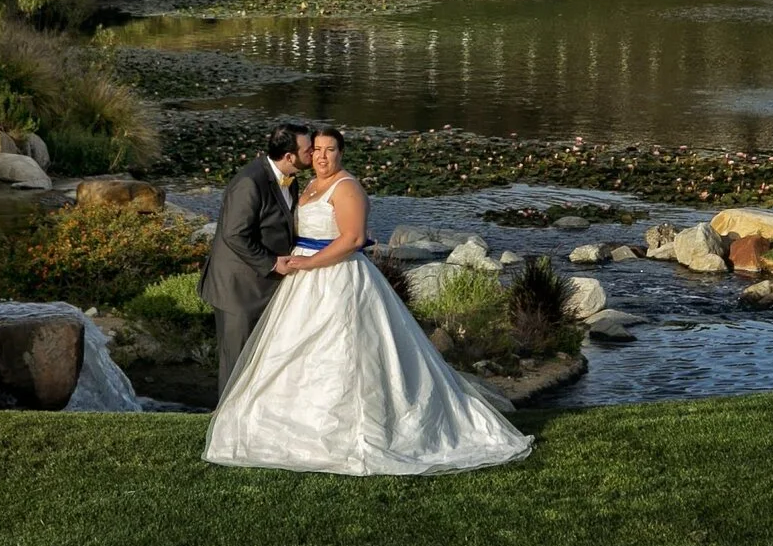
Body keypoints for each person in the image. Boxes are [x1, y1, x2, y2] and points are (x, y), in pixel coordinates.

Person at [204, 124, 532, 475]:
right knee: (293, 354)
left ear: (341, 153)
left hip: (335, 276)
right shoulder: (306, 185)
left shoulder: (347, 187)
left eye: (330, 150)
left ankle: (358, 430)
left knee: (346, 351)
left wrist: (309, 262)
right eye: (315, 150)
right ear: (302, 154)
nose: (321, 156)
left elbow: (353, 238)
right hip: (300, 283)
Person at [199, 123, 308, 395]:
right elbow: (233, 234)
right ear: (289, 156)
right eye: (308, 150)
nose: (313, 154)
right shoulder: (250, 182)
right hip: (238, 289)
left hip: (263, 286)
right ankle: (225, 423)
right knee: (236, 363)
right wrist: (272, 262)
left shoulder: (290, 179)